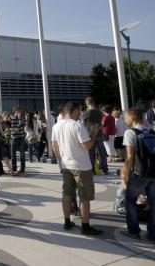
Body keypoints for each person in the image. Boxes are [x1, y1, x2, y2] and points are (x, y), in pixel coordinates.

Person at [51, 101, 103, 236]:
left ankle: (67, 221)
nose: (80, 113)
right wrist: (93, 133)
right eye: (79, 110)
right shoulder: (77, 126)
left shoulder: (56, 126)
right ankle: (85, 226)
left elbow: (54, 147)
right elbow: (87, 146)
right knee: (84, 197)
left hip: (66, 165)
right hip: (81, 166)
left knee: (67, 194)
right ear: (73, 110)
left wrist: (61, 161)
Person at [121, 109, 155, 243]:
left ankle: (134, 232)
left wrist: (126, 172)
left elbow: (130, 156)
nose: (124, 120)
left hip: (140, 173)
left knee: (130, 201)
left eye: (125, 118)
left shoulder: (130, 132)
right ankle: (153, 235)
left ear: (132, 119)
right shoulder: (154, 132)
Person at [82, 97, 109, 175]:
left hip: (90, 135)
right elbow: (101, 124)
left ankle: (93, 169)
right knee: (102, 152)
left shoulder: (85, 113)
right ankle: (105, 169)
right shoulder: (100, 112)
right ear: (93, 102)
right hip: (99, 133)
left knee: (91, 153)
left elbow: (83, 125)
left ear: (87, 103)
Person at [10, 108, 27, 174]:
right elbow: (12, 128)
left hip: (22, 137)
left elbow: (24, 126)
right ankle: (14, 168)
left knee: (22, 153)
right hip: (14, 138)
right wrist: (17, 128)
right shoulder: (11, 118)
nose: (20, 112)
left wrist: (20, 119)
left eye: (20, 111)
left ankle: (22, 168)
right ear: (15, 111)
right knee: (13, 154)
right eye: (18, 111)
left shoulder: (22, 118)